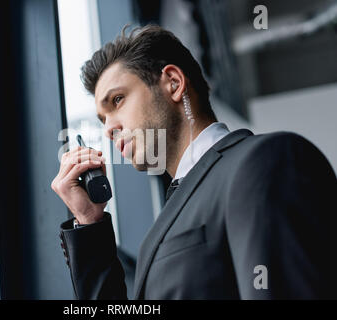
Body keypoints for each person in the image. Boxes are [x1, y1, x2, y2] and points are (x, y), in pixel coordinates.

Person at [50, 24, 337, 299]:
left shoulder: (264, 161)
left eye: (117, 100)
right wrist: (90, 221)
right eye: (102, 120)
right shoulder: (165, 220)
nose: (109, 128)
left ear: (174, 83)